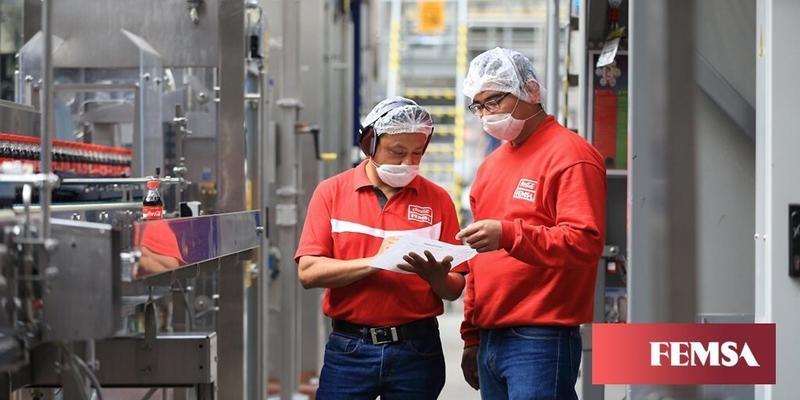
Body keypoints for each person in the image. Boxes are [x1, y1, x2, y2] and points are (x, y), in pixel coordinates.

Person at [456, 47, 607, 399]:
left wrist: (509, 234)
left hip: (540, 336)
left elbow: (584, 243)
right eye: (479, 106)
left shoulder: (571, 156)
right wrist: (472, 334)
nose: (487, 114)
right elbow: (478, 262)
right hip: (491, 334)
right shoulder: (490, 167)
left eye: (494, 101)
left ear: (531, 91)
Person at [295, 97, 466, 399]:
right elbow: (309, 272)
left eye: (417, 153)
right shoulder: (331, 193)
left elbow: (453, 289)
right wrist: (377, 261)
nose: (407, 163)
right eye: (397, 152)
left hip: (417, 348)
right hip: (350, 348)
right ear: (369, 144)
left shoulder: (438, 200)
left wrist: (436, 278)